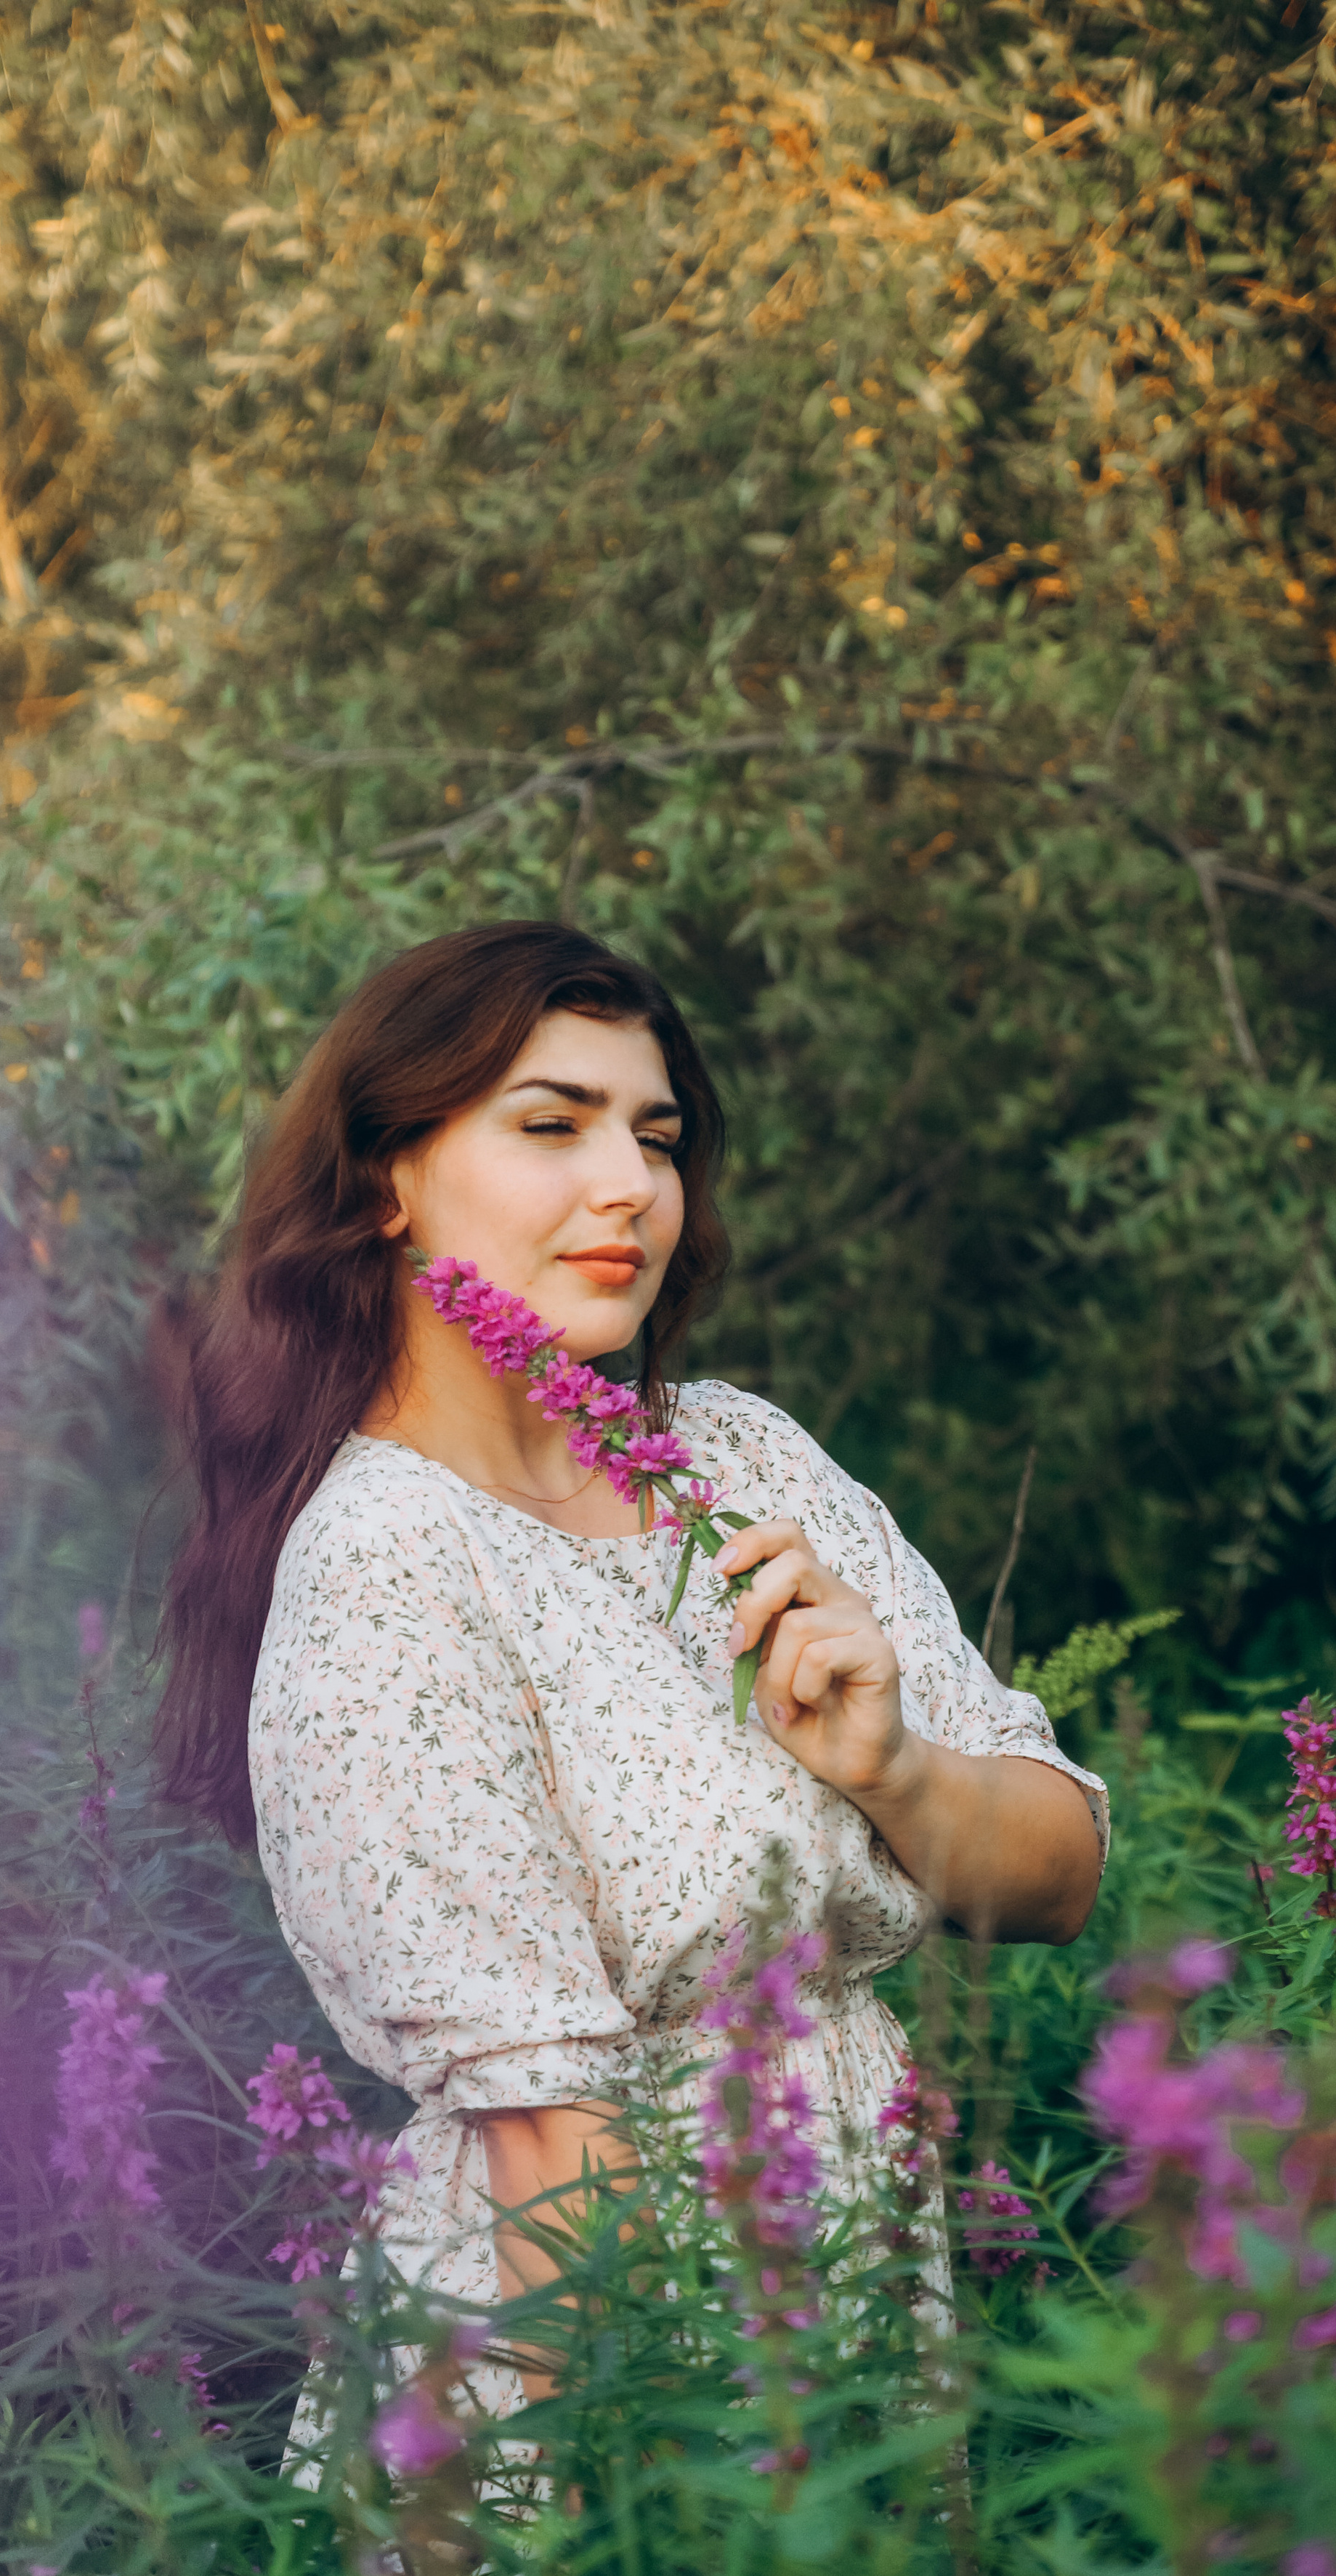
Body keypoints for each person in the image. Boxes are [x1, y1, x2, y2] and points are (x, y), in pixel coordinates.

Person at [158, 920, 1105, 2434]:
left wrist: (895, 1771)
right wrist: (730, 2482)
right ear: (388, 1178)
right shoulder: (387, 1565)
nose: (630, 1188)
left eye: (655, 1139)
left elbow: (1054, 1883)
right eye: (551, 1126)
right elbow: (560, 2167)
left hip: (847, 2335)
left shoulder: (734, 1457)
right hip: (628, 2396)